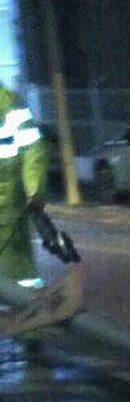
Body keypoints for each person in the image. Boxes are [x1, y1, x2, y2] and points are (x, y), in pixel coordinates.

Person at [0, 83, 49, 289]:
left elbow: (32, 147)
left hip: (9, 196)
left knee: (14, 254)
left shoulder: (10, 106)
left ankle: (27, 299)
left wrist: (32, 187)